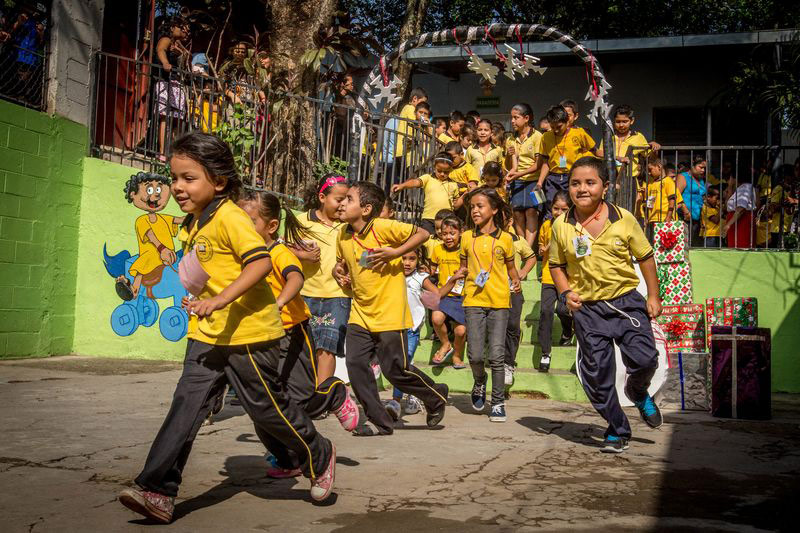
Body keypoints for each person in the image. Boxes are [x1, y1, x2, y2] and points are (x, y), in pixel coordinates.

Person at [118, 133, 337, 524]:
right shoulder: (195, 220)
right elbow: (206, 269)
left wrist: (219, 300)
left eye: (189, 179)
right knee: (186, 406)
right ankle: (157, 490)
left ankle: (318, 454)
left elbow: (260, 264)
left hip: (249, 334)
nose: (178, 188)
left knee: (266, 410)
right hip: (207, 334)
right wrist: (197, 294)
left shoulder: (231, 217)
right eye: (175, 178)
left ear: (218, 181)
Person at [237, 190, 360, 478]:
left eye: (250, 221)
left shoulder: (278, 251)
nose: (243, 228)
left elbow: (295, 277)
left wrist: (279, 303)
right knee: (264, 405)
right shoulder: (241, 253)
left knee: (301, 400)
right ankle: (288, 460)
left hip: (292, 332)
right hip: (261, 334)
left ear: (270, 227)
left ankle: (334, 393)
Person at [549, 156, 663, 453]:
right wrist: (564, 293)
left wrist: (653, 296)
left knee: (646, 359)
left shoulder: (623, 218)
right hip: (587, 309)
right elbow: (556, 265)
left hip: (626, 303)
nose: (582, 189)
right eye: (575, 183)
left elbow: (646, 257)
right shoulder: (561, 226)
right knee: (598, 376)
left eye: (590, 182)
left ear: (605, 186)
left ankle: (637, 391)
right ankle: (617, 428)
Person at [334, 181, 449, 436]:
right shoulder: (342, 234)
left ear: (365, 209)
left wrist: (394, 252)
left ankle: (434, 396)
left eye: (348, 199)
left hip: (389, 314)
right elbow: (342, 263)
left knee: (395, 371)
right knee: (355, 365)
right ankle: (381, 422)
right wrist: (338, 272)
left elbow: (423, 233)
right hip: (360, 314)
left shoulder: (383, 227)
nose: (341, 203)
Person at [461, 188, 521, 422]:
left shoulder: (506, 239)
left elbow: (510, 268)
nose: (475, 210)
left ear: (494, 210)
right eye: (472, 207)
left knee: (496, 355)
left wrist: (516, 280)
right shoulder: (466, 237)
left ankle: (497, 402)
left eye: (480, 206)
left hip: (499, 302)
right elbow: (464, 266)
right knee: (475, 355)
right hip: (473, 301)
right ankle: (479, 381)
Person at [386, 248, 464, 418]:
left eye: (412, 259)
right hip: (392, 327)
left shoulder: (420, 278)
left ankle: (396, 402)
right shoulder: (391, 274)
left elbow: (438, 294)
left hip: (411, 329)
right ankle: (414, 395)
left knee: (403, 365)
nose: (407, 262)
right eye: (403, 258)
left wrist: (453, 280)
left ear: (418, 260)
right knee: (402, 364)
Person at [293, 175, 351, 385]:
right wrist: (303, 255)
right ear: (322, 197)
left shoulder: (348, 226)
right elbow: (283, 249)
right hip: (303, 293)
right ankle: (302, 391)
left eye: (347, 200)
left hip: (337, 296)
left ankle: (322, 396)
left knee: (327, 347)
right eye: (338, 199)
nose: (343, 204)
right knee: (303, 346)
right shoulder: (301, 221)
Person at [537, 190, 574, 373]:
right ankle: (545, 351)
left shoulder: (575, 225)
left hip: (569, 275)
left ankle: (568, 331)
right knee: (545, 311)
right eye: (556, 208)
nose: (558, 213)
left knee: (563, 308)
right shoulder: (546, 225)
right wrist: (544, 249)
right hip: (549, 274)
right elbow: (541, 249)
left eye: (564, 209)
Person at [537, 105, 597, 219]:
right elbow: (546, 162)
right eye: (552, 126)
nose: (555, 130)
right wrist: (540, 182)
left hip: (572, 177)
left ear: (567, 121)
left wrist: (617, 157)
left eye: (559, 126)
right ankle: (551, 233)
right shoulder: (546, 137)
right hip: (553, 178)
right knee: (551, 206)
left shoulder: (579, 133)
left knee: (573, 205)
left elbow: (595, 151)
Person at [429, 216, 469, 368]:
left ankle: (457, 356)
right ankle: (446, 344)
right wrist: (426, 270)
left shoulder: (465, 250)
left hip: (462, 296)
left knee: (460, 331)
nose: (448, 237)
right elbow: (432, 269)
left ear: (461, 232)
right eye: (444, 233)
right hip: (445, 294)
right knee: (436, 319)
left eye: (452, 233)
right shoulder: (438, 249)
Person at [392, 151, 459, 235]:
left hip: (447, 219)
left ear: (451, 170)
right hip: (428, 218)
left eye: (446, 172)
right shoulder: (428, 178)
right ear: (434, 167)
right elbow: (415, 182)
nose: (442, 174)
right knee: (427, 241)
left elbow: (456, 203)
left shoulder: (453, 184)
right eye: (439, 170)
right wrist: (402, 185)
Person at [505, 103, 543, 248]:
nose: (512, 121)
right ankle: (523, 246)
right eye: (511, 118)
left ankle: (529, 247)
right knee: (517, 213)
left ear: (526, 118)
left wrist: (518, 174)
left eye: (516, 117)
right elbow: (509, 166)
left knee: (532, 212)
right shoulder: (510, 139)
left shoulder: (537, 136)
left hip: (535, 181)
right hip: (517, 182)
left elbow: (538, 165)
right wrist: (509, 156)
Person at [505, 219, 537, 385]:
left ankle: (508, 363)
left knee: (512, 326)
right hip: (491, 291)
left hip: (513, 290)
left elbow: (531, 257)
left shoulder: (517, 240)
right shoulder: (484, 238)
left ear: (509, 220)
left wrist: (523, 272)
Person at [154, 16, 190, 160]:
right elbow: (160, 50)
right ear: (172, 28)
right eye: (181, 28)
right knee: (165, 117)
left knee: (176, 119)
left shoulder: (177, 44)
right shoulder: (166, 39)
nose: (184, 31)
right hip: (166, 82)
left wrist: (182, 51)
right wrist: (165, 63)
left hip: (175, 83)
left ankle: (171, 152)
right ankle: (163, 152)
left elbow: (187, 57)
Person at [596, 105, 660, 180]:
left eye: (625, 121)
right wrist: (617, 158)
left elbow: (649, 156)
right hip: (609, 177)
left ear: (632, 121)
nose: (621, 125)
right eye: (618, 122)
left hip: (629, 179)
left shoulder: (638, 136)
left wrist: (654, 147)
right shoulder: (609, 136)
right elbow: (599, 153)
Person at [676, 156, 708, 246]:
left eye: (704, 168)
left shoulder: (701, 179)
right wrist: (685, 211)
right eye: (700, 167)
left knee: (694, 245)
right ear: (692, 165)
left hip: (697, 218)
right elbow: (676, 195)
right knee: (684, 245)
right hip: (684, 217)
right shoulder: (683, 177)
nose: (703, 170)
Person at [722, 171, 758, 249]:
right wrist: (730, 187)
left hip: (741, 222)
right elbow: (725, 207)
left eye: (730, 178)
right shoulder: (740, 189)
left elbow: (741, 209)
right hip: (737, 222)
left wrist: (728, 224)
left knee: (740, 246)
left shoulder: (745, 187)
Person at [767, 164, 798, 248]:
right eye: (792, 175)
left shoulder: (792, 188)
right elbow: (772, 208)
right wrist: (783, 204)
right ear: (787, 176)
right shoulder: (779, 188)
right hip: (779, 229)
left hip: (788, 228)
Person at [643, 155, 677, 224]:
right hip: (652, 219)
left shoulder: (668, 181)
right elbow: (650, 202)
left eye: (650, 169)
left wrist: (668, 217)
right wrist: (647, 217)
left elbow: (672, 200)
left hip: (665, 219)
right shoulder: (650, 184)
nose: (649, 173)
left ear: (659, 167)